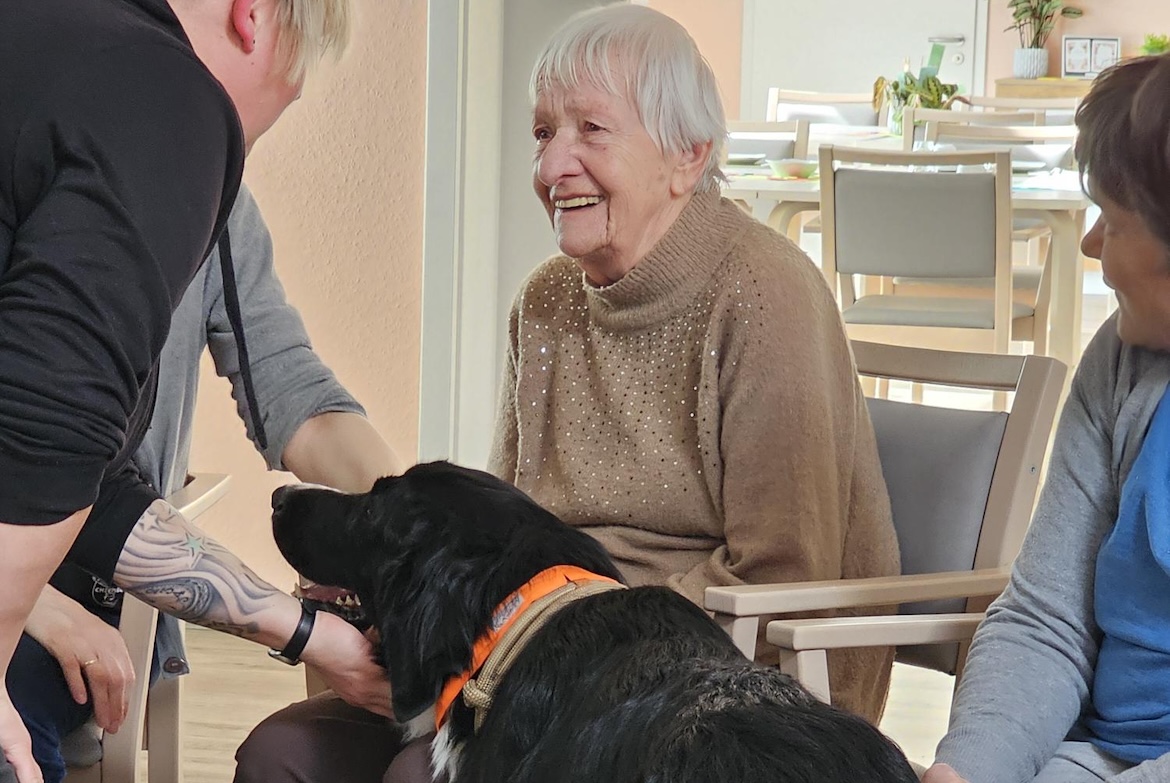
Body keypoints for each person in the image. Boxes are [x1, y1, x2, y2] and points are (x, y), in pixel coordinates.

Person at [486, 3, 898, 723]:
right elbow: (503, 523)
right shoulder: (544, 301)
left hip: (723, 691)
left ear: (688, 156)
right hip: (549, 659)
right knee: (297, 746)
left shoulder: (765, 293)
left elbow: (782, 574)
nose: (552, 166)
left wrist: (571, 641)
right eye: (544, 133)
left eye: (591, 129)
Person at [0, 1, 354, 780]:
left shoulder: (49, 56)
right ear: (255, 17)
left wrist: (315, 634)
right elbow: (47, 431)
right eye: (286, 98)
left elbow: (89, 484)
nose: (244, 147)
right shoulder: (167, 101)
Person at [4, 181, 404, 783]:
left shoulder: (211, 196)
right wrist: (37, 607)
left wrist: (410, 507)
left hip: (90, 579)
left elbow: (291, 394)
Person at [923, 54, 1170, 783]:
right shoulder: (1123, 362)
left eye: (1114, 222)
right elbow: (1045, 618)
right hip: (1097, 754)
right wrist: (964, 769)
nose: (1091, 243)